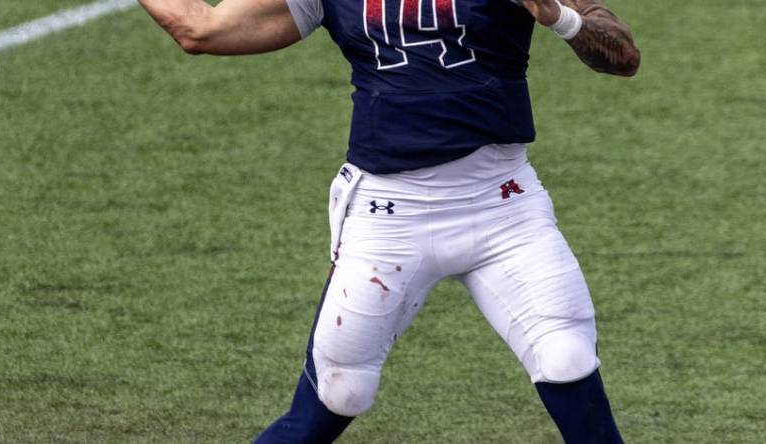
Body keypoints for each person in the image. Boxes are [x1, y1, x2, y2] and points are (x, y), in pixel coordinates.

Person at [138, 0, 640, 441]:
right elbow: (200, 29)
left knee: (567, 360)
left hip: (504, 207)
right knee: (341, 392)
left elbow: (622, 57)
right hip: (387, 216)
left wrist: (558, 17)